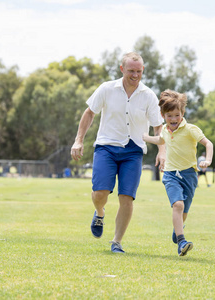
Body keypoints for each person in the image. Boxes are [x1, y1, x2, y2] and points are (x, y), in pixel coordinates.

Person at [71, 52, 165, 253]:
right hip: (107, 147)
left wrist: (162, 151)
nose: (135, 75)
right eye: (131, 70)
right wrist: (78, 140)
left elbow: (158, 127)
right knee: (99, 193)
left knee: (126, 197)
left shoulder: (148, 95)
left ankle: (116, 242)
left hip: (133, 151)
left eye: (139, 71)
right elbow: (89, 113)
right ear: (122, 69)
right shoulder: (106, 89)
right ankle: (99, 212)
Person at [143, 90, 213, 256]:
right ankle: (182, 241)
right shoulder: (166, 131)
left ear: (182, 113)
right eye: (169, 116)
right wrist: (144, 137)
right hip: (170, 175)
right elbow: (160, 140)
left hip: (189, 175)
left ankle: (178, 229)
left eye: (177, 115)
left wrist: (208, 160)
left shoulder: (190, 129)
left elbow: (208, 144)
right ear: (163, 115)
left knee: (184, 212)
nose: (173, 119)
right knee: (178, 205)